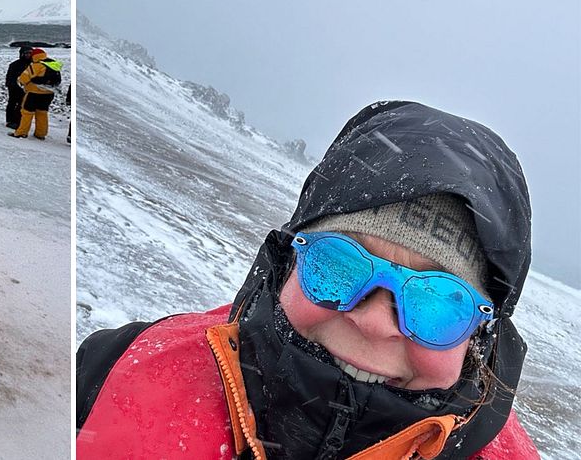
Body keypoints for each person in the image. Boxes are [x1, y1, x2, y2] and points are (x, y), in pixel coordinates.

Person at [76, 101, 539, 459]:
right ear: (289, 261)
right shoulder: (110, 366)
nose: (375, 323)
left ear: (480, 338)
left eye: (439, 302)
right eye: (338, 265)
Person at [10, 48, 62, 140]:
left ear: (34, 56)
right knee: (42, 113)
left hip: (33, 93)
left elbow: (23, 79)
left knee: (26, 113)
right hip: (48, 94)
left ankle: (21, 132)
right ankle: (41, 134)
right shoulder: (53, 65)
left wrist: (20, 82)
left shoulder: (35, 66)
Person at [5, 46, 32, 129]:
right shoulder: (15, 64)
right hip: (14, 86)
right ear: (22, 54)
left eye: (30, 53)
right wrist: (12, 85)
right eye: (26, 53)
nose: (28, 55)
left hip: (27, 87)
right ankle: (10, 120)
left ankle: (17, 120)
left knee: (22, 104)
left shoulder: (33, 64)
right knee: (12, 103)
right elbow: (10, 77)